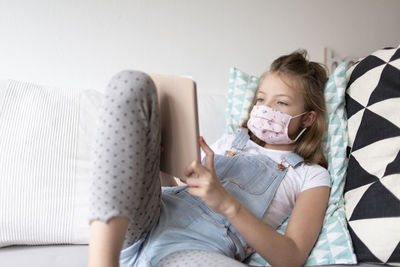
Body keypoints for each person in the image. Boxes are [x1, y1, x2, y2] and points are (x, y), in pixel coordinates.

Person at [88, 50, 331, 267]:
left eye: (281, 102)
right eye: (260, 99)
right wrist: (162, 164)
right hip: (148, 219)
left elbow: (293, 256)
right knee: (130, 83)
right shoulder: (229, 142)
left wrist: (226, 203)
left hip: (194, 249)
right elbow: (179, 188)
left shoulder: (311, 174)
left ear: (308, 118)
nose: (265, 108)